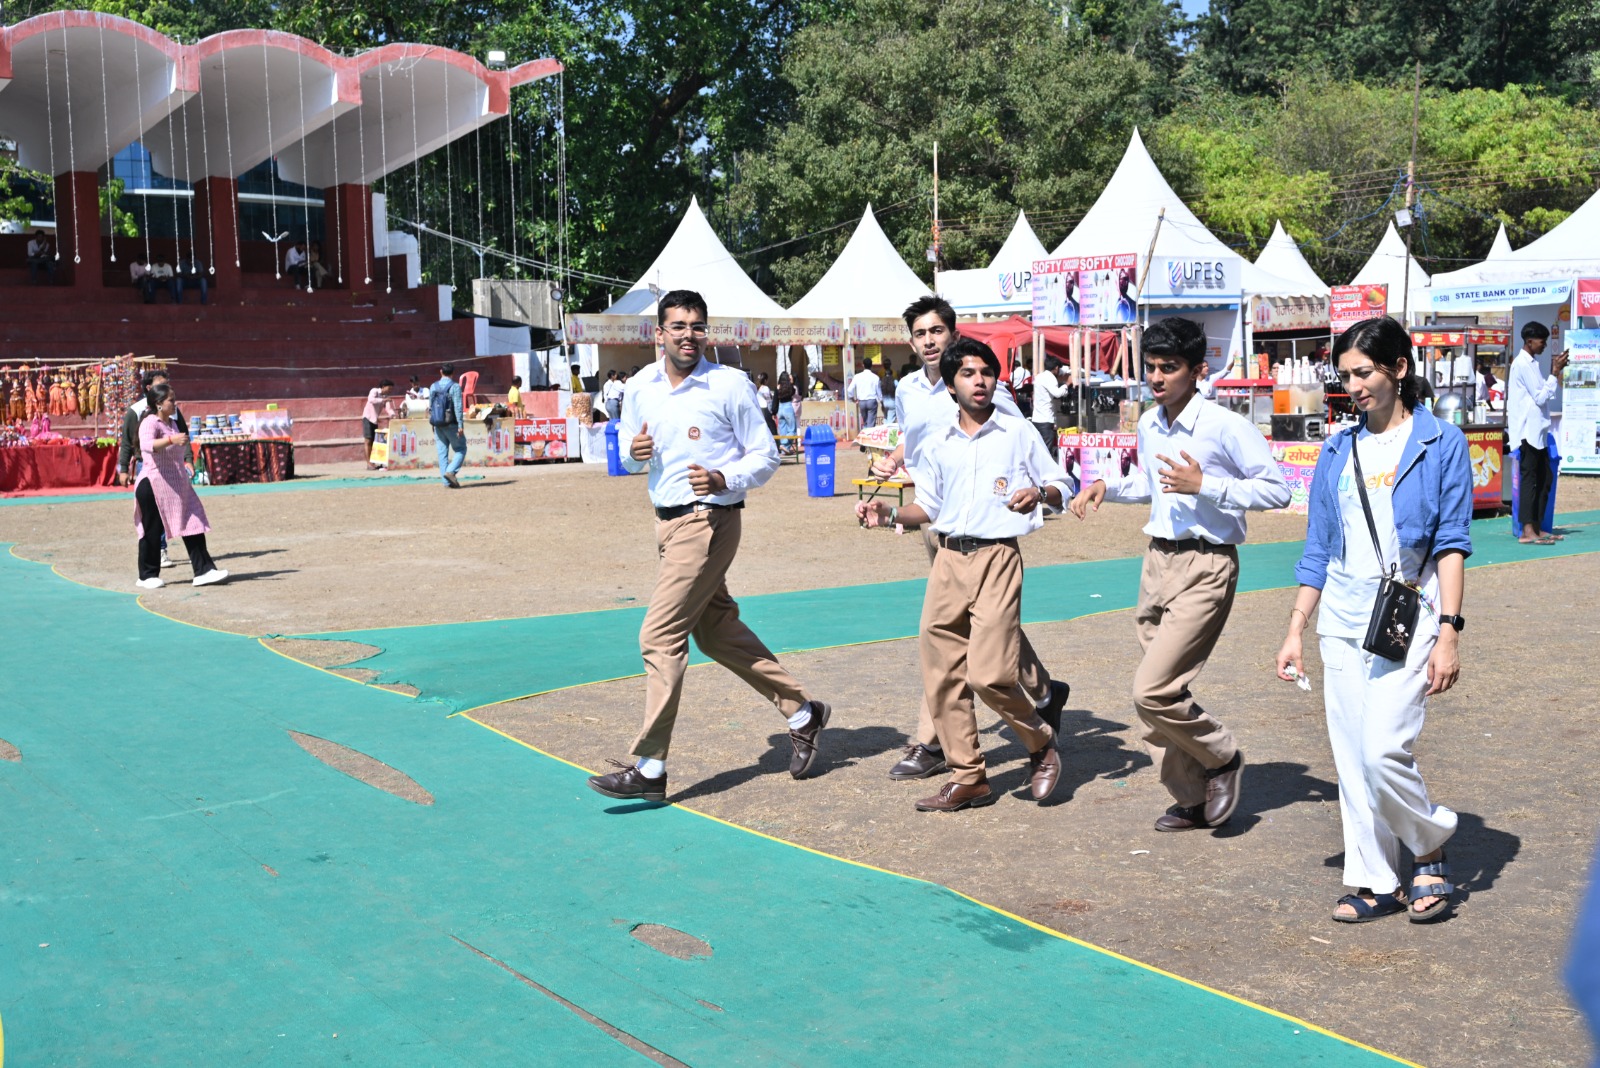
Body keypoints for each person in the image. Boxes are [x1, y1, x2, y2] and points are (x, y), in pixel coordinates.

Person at [586, 290, 831, 803]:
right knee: (716, 634)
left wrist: (723, 476)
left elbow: (764, 457)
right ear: (659, 333)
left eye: (697, 326)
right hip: (667, 524)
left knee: (658, 636)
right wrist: (632, 453)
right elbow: (631, 458)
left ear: (706, 332)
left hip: (710, 520)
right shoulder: (639, 388)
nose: (688, 335)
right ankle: (804, 712)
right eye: (677, 325)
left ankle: (651, 767)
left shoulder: (729, 384)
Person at [1275, 315, 1469, 924]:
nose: (1352, 385)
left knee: (1384, 749)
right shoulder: (1337, 449)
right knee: (1353, 757)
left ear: (1399, 370)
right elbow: (1317, 547)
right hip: (1342, 615)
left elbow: (1452, 543)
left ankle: (1430, 843)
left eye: (1363, 373)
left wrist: (1450, 632)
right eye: (1345, 375)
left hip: (1411, 610)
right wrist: (1295, 628)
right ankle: (1374, 880)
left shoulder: (1442, 442)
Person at [1070, 316, 1290, 832]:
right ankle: (1191, 796)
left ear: (1199, 369)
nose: (1158, 377)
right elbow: (1154, 483)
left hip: (1207, 565)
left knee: (1152, 689)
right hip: (1157, 563)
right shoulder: (1150, 423)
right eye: (1151, 368)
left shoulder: (1225, 425)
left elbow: (1278, 490)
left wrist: (1207, 484)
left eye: (1169, 368)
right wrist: (1109, 487)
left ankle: (1222, 757)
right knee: (1161, 696)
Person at [858, 338, 1067, 811]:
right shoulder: (935, 444)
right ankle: (968, 775)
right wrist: (887, 517)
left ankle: (1040, 741)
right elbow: (928, 507)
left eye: (987, 373)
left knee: (990, 675)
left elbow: (1062, 483)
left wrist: (1040, 492)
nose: (980, 381)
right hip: (948, 560)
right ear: (951, 385)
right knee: (942, 675)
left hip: (997, 558)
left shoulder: (1017, 433)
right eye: (969, 374)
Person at [133, 382, 228, 589]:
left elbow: (175, 448)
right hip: (153, 485)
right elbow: (146, 446)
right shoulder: (150, 422)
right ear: (158, 403)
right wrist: (171, 440)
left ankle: (204, 570)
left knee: (193, 523)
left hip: (176, 486)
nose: (175, 403)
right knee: (152, 529)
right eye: (171, 400)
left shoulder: (173, 424)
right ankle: (147, 576)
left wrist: (184, 457)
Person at [1508, 321, 1566, 545]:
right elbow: (1541, 397)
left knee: (1544, 478)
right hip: (1527, 432)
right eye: (1541, 342)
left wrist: (1552, 375)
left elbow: (1542, 395)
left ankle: (1537, 527)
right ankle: (1527, 531)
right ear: (1530, 342)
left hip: (1537, 431)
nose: (1544, 346)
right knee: (1530, 479)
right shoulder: (1522, 364)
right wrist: (1554, 373)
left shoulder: (1531, 363)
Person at [429, 363, 467, 488]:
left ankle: (446, 482)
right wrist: (461, 424)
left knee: (442, 454)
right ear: (453, 373)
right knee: (461, 449)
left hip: (438, 424)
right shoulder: (455, 386)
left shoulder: (433, 386)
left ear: (441, 372)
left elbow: (431, 407)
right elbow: (458, 407)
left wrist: (432, 423)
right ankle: (450, 472)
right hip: (451, 424)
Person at [1031, 356, 1068, 459]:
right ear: (1056, 368)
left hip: (1036, 419)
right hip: (1046, 420)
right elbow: (1057, 393)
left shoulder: (1039, 377)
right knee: (1047, 451)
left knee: (1039, 450)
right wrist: (1067, 384)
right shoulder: (1050, 378)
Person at [363, 379, 394, 470]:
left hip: (375, 419)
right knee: (368, 441)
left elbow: (388, 409)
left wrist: (393, 415)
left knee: (373, 442)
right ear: (383, 387)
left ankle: (372, 462)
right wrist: (384, 399)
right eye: (389, 388)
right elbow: (371, 400)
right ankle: (368, 463)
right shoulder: (374, 391)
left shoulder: (386, 397)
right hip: (368, 418)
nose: (390, 390)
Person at [848, 359, 884, 429]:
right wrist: (881, 401)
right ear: (871, 365)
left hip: (862, 402)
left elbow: (849, 390)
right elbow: (879, 392)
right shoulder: (875, 377)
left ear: (863, 365)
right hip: (872, 401)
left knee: (865, 422)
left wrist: (853, 399)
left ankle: (864, 435)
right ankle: (868, 437)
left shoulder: (857, 376)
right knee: (871, 423)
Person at [775, 371, 799, 452]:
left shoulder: (778, 387)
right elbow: (793, 393)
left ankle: (784, 450)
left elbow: (775, 399)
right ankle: (785, 445)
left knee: (782, 430)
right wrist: (791, 382)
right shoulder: (790, 387)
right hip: (788, 407)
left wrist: (773, 412)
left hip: (780, 408)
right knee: (792, 430)